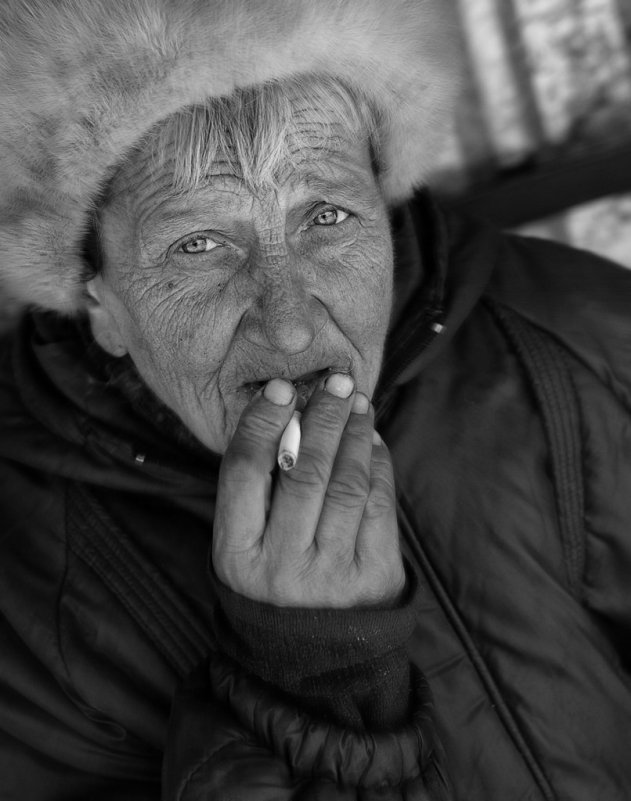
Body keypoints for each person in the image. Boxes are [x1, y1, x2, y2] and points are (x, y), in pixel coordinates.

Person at [1, 1, 630, 799]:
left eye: (326, 216)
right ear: (102, 306)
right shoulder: (22, 591)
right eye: (198, 244)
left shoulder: (585, 339)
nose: (291, 328)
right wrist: (315, 672)